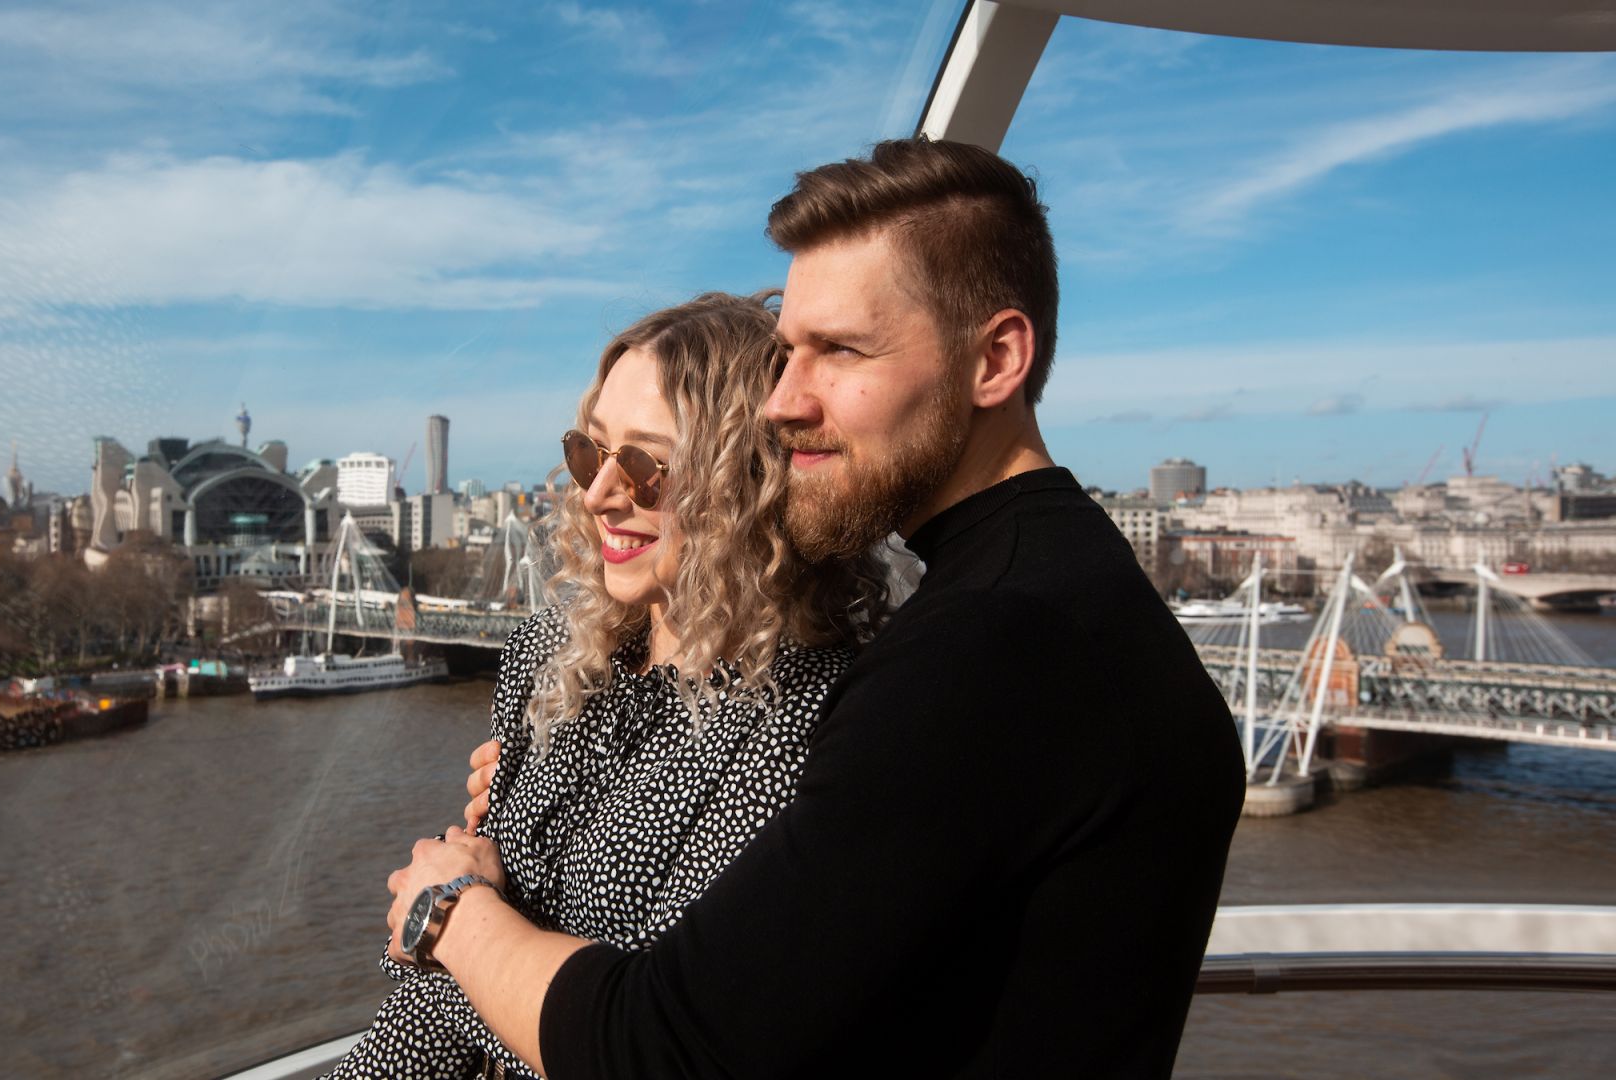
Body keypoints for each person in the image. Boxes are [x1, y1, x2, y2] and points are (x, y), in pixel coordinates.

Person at [385, 137, 1245, 1077]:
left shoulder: (992, 646)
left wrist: (454, 913)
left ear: (996, 359)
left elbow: (669, 1052)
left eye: (839, 350)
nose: (782, 403)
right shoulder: (1057, 588)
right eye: (790, 351)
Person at [330, 292, 891, 1078]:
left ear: (749, 482)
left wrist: (450, 918)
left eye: (645, 467)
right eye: (591, 453)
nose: (597, 494)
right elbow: (433, 982)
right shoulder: (551, 655)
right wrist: (451, 926)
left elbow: (645, 1041)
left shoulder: (805, 722)